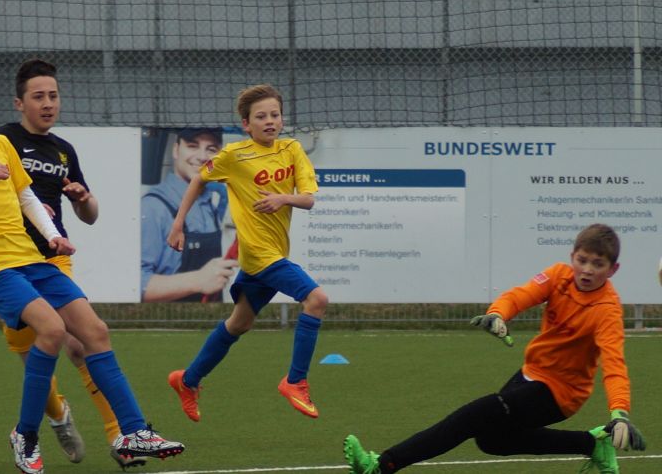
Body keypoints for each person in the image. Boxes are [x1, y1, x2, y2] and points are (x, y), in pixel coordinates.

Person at [0, 76, 184, 474]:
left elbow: (26, 196)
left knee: (95, 332)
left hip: (34, 259)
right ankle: (26, 435)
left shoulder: (0, 145)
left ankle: (133, 431)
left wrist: (52, 235)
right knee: (50, 330)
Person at [343, 223, 646, 474]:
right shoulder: (558, 275)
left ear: (613, 269)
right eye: (582, 260)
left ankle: (382, 465)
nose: (587, 270)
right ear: (572, 257)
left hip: (561, 394)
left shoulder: (607, 311)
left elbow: (614, 365)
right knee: (492, 441)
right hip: (530, 374)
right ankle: (591, 444)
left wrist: (619, 413)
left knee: (470, 417)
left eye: (598, 264)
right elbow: (520, 295)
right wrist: (498, 313)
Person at [0, 58, 144, 469]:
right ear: (19, 103)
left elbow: (90, 215)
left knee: (81, 343)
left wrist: (83, 199)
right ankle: (58, 414)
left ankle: (119, 437)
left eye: (53, 96)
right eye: (38, 96)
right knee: (37, 358)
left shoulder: (63, 150)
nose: (48, 103)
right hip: (11, 263)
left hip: (53, 260)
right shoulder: (3, 142)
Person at [166, 84, 325, 421]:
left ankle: (188, 380)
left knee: (239, 324)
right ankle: (295, 381)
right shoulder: (234, 156)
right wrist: (178, 224)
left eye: (275, 115)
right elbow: (198, 179)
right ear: (246, 124)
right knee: (316, 299)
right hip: (258, 254)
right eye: (261, 116)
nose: (270, 121)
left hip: (274, 252)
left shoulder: (292, 149)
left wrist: (283, 198)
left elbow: (309, 199)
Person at [141, 128, 237, 303]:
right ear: (176, 150)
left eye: (211, 149)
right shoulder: (153, 207)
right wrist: (197, 280)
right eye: (193, 146)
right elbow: (136, 284)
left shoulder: (209, 203)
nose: (202, 157)